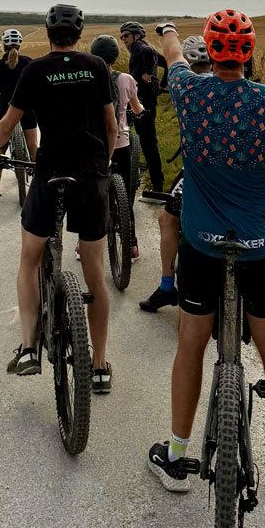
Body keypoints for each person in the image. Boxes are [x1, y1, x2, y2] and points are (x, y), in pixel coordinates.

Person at [146, 12, 265, 502]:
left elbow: (174, 56)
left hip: (203, 243)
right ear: (249, 52)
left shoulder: (189, 92)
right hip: (258, 245)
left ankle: (179, 454)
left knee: (190, 345)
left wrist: (165, 31)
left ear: (211, 49)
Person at [0, 4, 118, 393]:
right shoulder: (97, 67)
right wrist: (102, 166)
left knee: (30, 256)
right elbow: (110, 124)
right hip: (90, 175)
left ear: (49, 34)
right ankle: (100, 365)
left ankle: (29, 347)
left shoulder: (35, 70)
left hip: (51, 170)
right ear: (80, 33)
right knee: (94, 271)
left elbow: (8, 122)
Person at [139, 34, 211, 313]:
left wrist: (168, 32)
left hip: (196, 170)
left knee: (168, 218)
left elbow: (171, 56)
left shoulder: (185, 86)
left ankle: (167, 286)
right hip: (234, 174)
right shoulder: (233, 84)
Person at [90, 34, 145, 260]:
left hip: (95, 146)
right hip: (121, 144)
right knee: (125, 198)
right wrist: (141, 113)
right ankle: (131, 245)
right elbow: (136, 107)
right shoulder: (126, 80)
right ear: (115, 56)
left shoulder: (88, 79)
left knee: (93, 195)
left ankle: (84, 245)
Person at [0, 29, 39, 196]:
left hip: (6, 110)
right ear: (20, 44)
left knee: (0, 148)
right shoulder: (29, 62)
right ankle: (38, 183)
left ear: (3, 45)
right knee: (32, 145)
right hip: (28, 109)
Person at [119, 21, 165, 193]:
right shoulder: (140, 48)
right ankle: (157, 183)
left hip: (143, 99)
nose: (123, 39)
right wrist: (161, 83)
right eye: (121, 36)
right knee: (149, 142)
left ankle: (157, 186)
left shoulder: (139, 46)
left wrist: (147, 73)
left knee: (147, 142)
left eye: (126, 35)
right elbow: (165, 62)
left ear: (136, 36)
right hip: (147, 99)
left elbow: (150, 54)